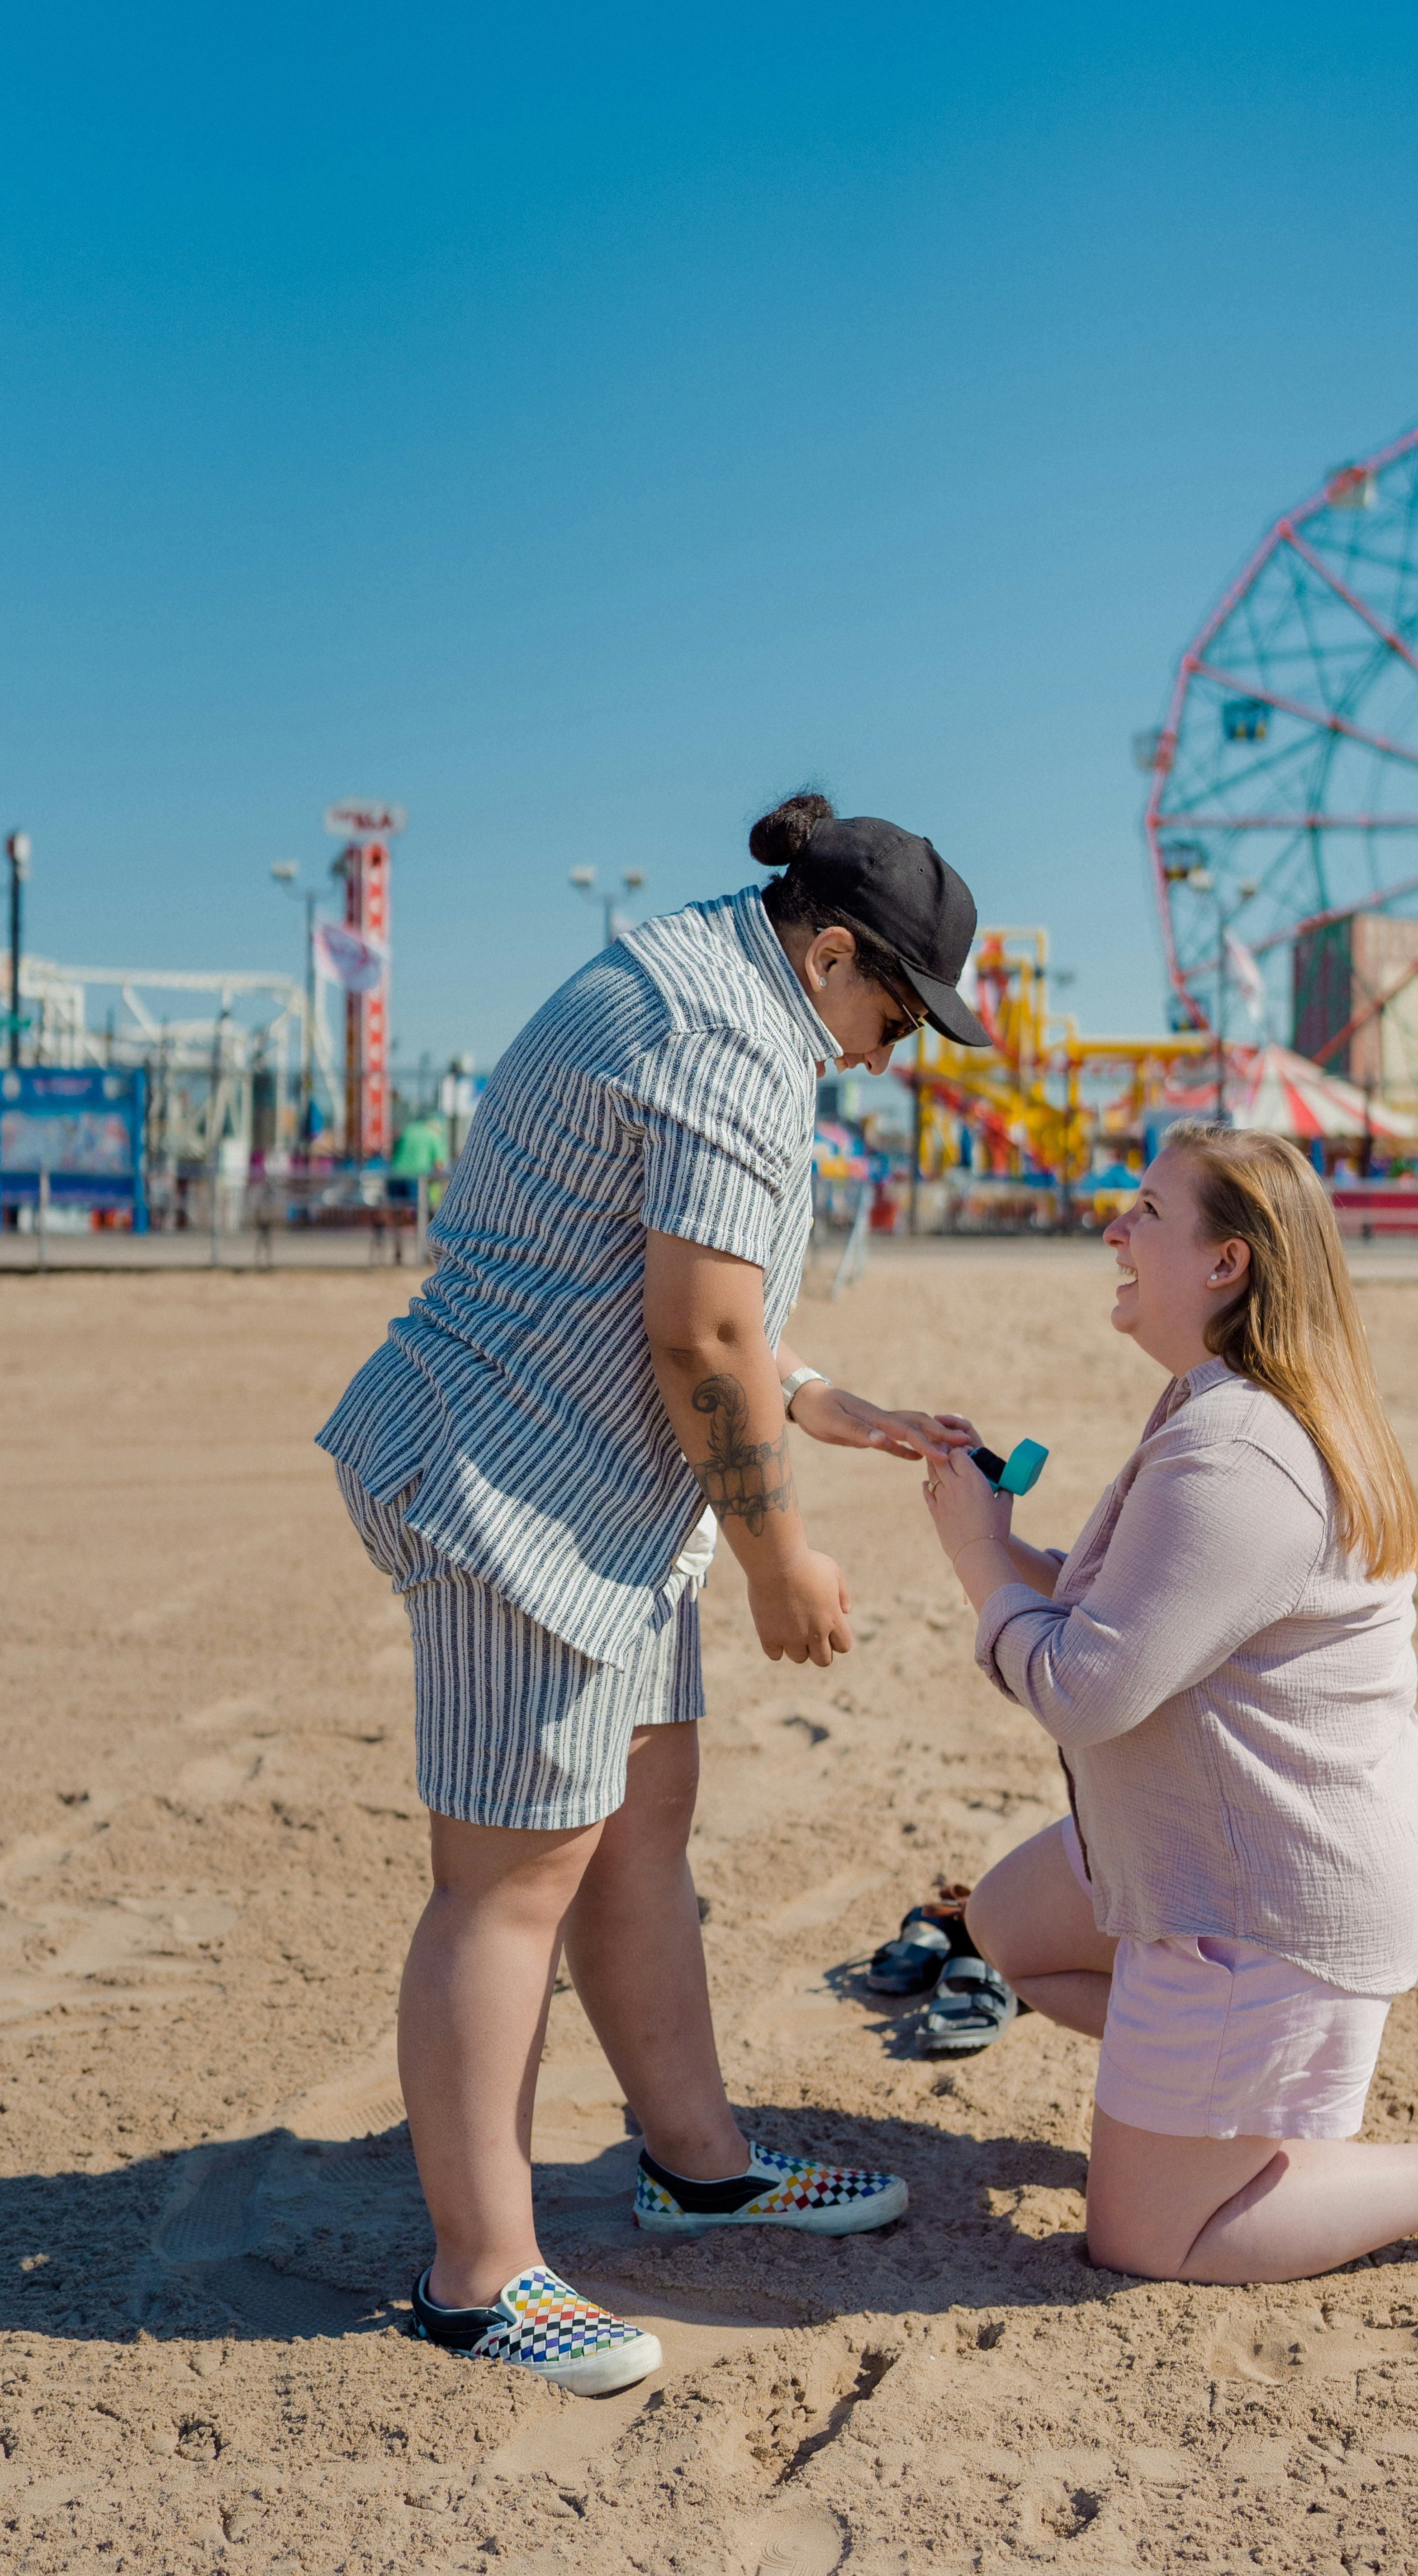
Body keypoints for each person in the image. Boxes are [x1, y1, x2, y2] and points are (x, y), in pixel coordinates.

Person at [318, 790, 991, 2390]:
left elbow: (687, 1300)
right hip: (511, 1485)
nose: (893, 1052)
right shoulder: (737, 1045)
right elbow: (694, 1333)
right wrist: (782, 1558)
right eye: (894, 1012)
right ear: (827, 952)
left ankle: (694, 2159)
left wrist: (834, 1403)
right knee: (511, 1875)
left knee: (640, 1812)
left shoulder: (701, 977)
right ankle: (479, 2272)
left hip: (589, 1485)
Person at [920, 1123, 1418, 2287]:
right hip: (1220, 1839)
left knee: (1146, 2238)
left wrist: (978, 1560)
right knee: (1007, 1926)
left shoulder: (1241, 1451)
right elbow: (1143, 1612)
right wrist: (1007, 1544)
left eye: (1145, 1211)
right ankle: (1229, 2099)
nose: (1113, 1230)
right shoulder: (1228, 1405)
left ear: (1227, 1263)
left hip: (1265, 1890)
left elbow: (1085, 1689)